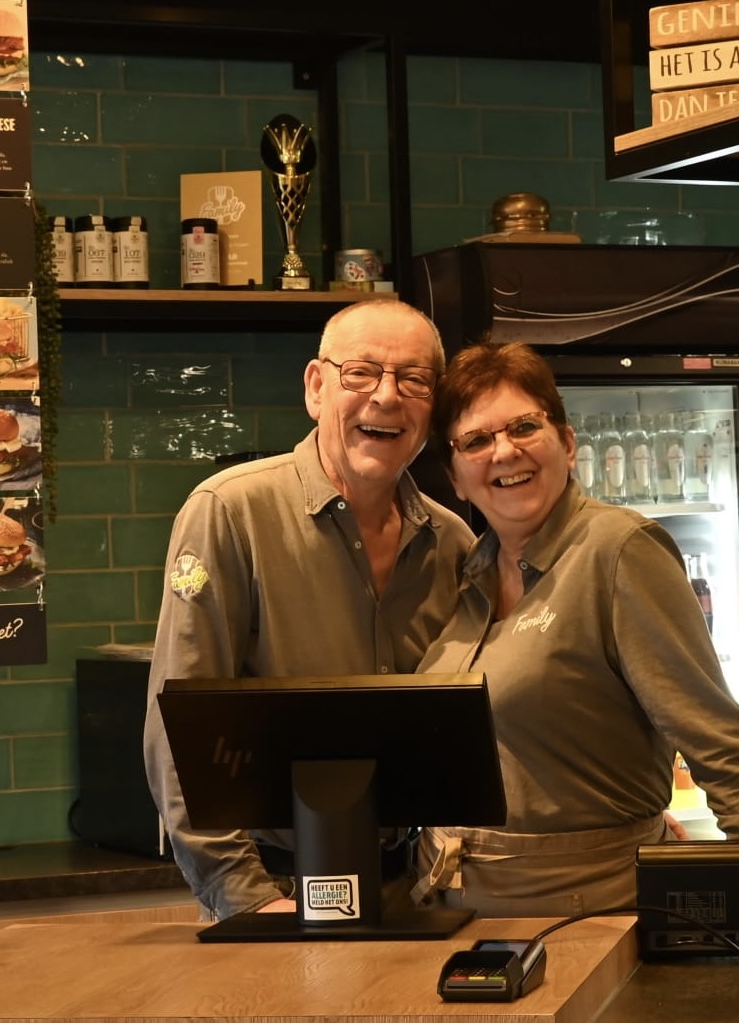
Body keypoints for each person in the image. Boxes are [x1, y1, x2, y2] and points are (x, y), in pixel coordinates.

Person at [413, 341, 739, 938]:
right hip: (455, 912)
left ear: (567, 444)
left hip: (581, 917)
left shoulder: (619, 551)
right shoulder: (470, 573)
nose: (504, 451)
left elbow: (713, 731)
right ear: (456, 477)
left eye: (524, 427)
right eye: (477, 441)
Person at [143, 299, 474, 921]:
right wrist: (245, 897)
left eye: (413, 379)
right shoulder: (230, 512)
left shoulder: (452, 542)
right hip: (278, 892)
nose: (386, 396)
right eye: (361, 373)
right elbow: (179, 728)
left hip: (414, 892)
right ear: (317, 388)